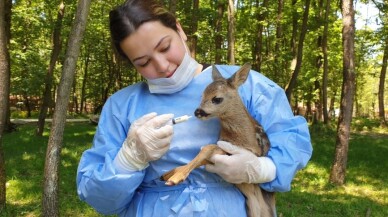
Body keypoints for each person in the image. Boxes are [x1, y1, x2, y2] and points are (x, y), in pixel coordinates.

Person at [76, 0, 313, 216]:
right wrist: (128, 160)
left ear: (180, 30)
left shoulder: (246, 85)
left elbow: (292, 142)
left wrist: (262, 169)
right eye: (143, 62)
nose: (162, 65)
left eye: (165, 47)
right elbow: (102, 200)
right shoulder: (121, 106)